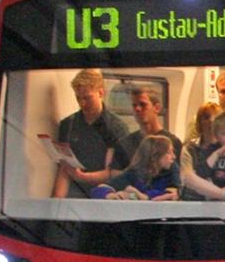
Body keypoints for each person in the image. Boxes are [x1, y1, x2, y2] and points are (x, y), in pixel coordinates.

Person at [52, 68, 128, 198]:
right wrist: (56, 203)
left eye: (87, 98)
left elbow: (115, 172)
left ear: (100, 93)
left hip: (106, 194)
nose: (82, 103)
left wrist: (82, 177)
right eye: (78, 98)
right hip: (74, 194)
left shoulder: (116, 127)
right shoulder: (68, 124)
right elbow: (63, 168)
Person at [114, 85, 181, 175]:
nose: (137, 109)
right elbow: (117, 175)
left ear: (156, 108)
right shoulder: (126, 143)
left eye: (143, 105)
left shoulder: (172, 142)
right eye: (134, 105)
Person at [92, 135, 180, 201]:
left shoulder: (172, 170)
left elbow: (172, 194)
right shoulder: (135, 173)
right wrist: (111, 195)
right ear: (155, 156)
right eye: (169, 152)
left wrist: (138, 195)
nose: (174, 156)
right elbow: (100, 189)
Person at [180, 102, 224, 201]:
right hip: (193, 201)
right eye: (206, 117)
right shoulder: (189, 149)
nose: (211, 121)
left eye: (215, 117)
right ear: (199, 123)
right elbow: (187, 179)